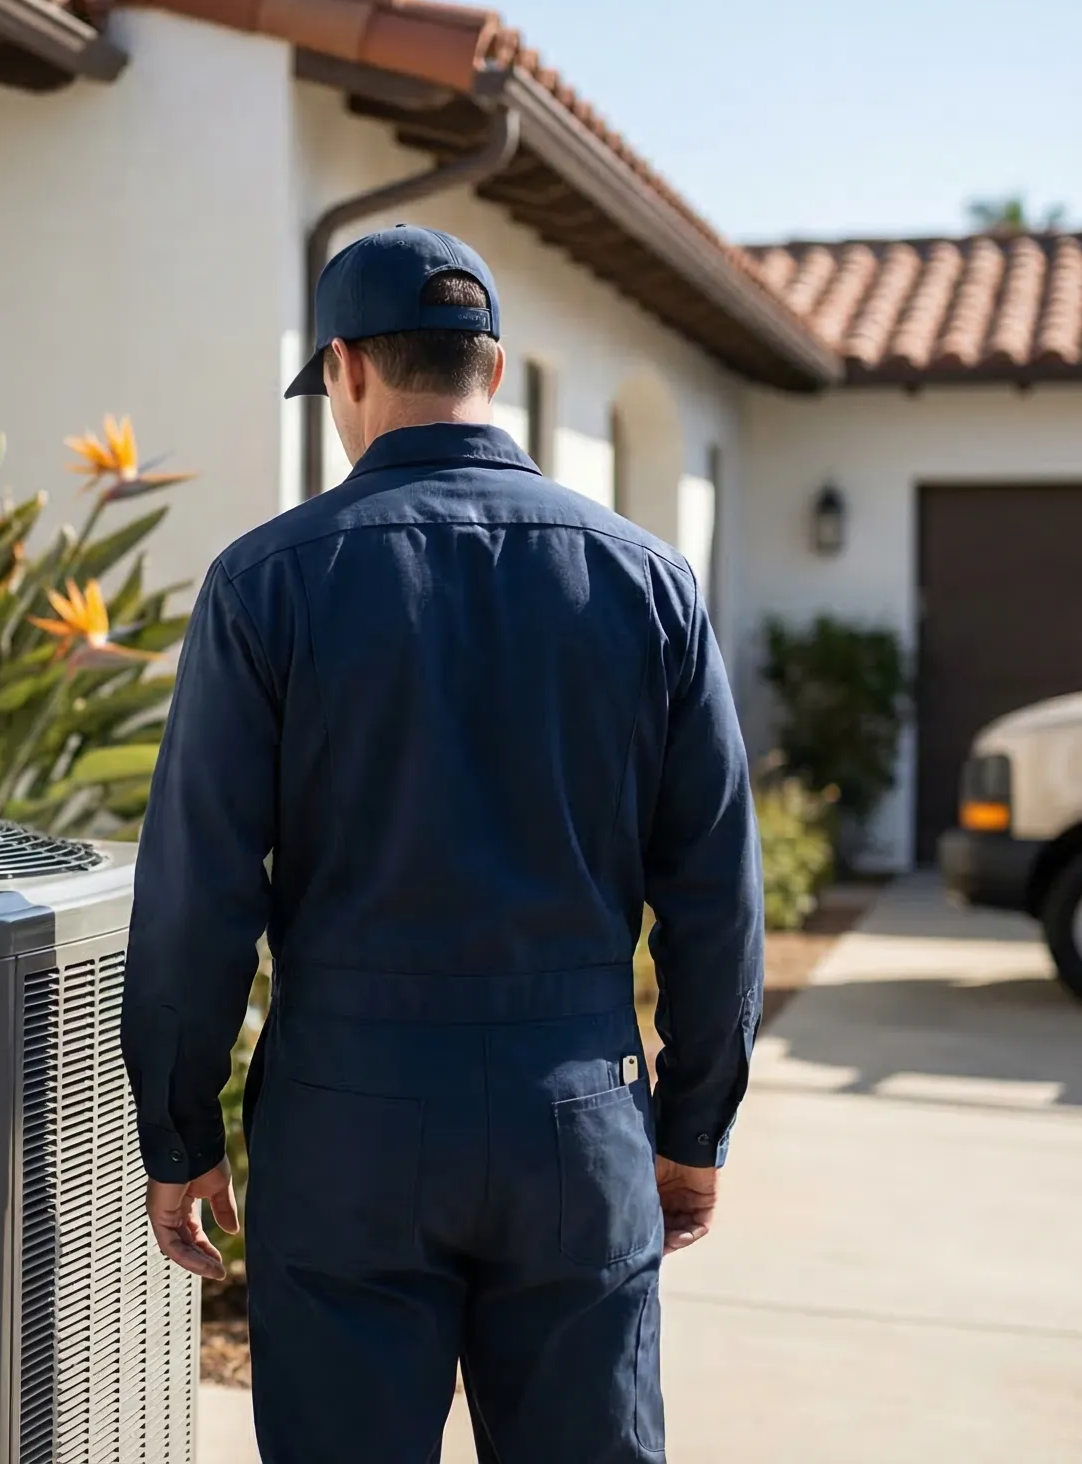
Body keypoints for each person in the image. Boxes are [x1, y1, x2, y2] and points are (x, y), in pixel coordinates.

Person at [123, 224, 764, 1462]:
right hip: (576, 1110)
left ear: (348, 369)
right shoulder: (650, 584)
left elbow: (199, 886)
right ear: (493, 370)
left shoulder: (266, 583)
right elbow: (715, 893)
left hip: (344, 1117)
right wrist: (694, 1126)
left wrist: (181, 1131)